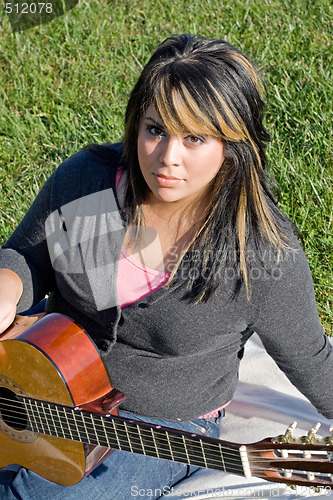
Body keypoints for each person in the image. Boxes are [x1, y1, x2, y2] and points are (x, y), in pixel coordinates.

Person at [0, 33, 332, 499]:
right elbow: (29, 256)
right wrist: (8, 286)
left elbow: (312, 358)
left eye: (194, 138)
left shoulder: (259, 252)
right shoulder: (88, 184)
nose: (167, 158)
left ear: (233, 144)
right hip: (45, 378)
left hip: (161, 424)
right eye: (155, 130)